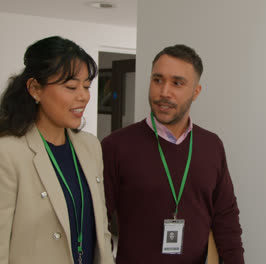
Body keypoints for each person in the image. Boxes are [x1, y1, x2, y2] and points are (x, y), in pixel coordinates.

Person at [0, 36, 114, 264]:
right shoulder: (4, 154)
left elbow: (101, 233)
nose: (83, 96)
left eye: (86, 86)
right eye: (71, 87)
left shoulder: (90, 147)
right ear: (36, 89)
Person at [102, 44, 245, 263]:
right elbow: (98, 223)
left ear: (195, 92)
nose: (164, 92)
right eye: (157, 80)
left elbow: (226, 219)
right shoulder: (116, 145)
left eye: (177, 83)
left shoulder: (211, 146)